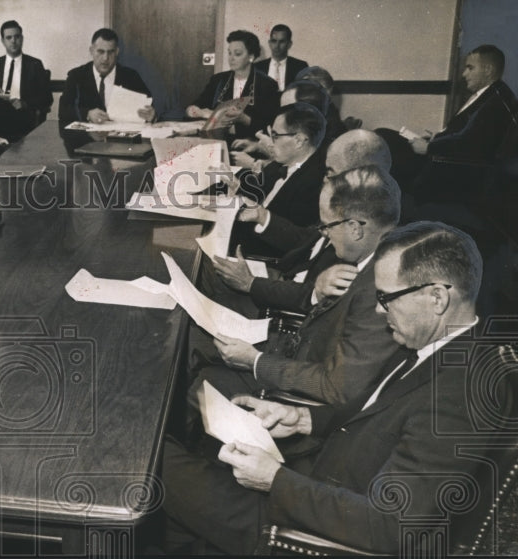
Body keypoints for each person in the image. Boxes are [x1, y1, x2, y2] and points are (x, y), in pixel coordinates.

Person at [163, 221, 518, 555]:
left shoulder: (461, 395)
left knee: (153, 461)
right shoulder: (433, 346)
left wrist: (274, 480)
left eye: (386, 298)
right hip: (311, 481)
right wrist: (302, 418)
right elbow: (377, 419)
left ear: (437, 298)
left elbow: (390, 524)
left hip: (306, 526)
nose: (380, 312)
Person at [206, 166, 403, 405]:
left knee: (198, 383)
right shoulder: (374, 258)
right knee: (198, 343)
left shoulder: (381, 291)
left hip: (291, 383)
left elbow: (338, 387)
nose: (325, 236)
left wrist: (255, 360)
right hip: (290, 348)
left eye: (328, 226)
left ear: (354, 228)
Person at [409, 45, 518, 206]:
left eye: (470, 68)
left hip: (460, 171)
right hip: (452, 159)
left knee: (394, 152)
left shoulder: (496, 102)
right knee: (389, 137)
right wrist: (436, 138)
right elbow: (465, 132)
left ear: (488, 69)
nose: (464, 74)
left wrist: (429, 148)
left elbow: (469, 141)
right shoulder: (488, 94)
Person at [230, 102, 328, 258]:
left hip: (263, 257)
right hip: (244, 240)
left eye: (275, 136)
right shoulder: (279, 164)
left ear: (299, 141)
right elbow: (255, 196)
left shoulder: (316, 183)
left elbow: (295, 243)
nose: (269, 142)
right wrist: (235, 186)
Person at [187, 30, 279, 139]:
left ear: (251, 56)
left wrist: (244, 119)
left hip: (248, 144)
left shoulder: (267, 85)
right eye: (229, 53)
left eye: (237, 54)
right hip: (215, 139)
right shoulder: (218, 80)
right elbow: (196, 105)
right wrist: (193, 110)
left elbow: (270, 126)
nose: (231, 58)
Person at [0, 20, 54, 141]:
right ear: (3, 41)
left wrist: (24, 103)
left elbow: (47, 98)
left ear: (22, 38)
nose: (13, 41)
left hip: (21, 116)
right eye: (9, 37)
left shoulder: (34, 65)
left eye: (17, 37)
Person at [57, 28, 155, 126]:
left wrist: (151, 115)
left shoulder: (131, 76)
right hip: (87, 139)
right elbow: (63, 111)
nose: (105, 58)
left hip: (120, 139)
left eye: (110, 52)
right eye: (100, 52)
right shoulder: (77, 76)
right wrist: (87, 114)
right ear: (91, 51)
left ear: (117, 52)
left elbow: (149, 106)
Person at [253, 24, 309, 92]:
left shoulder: (300, 66)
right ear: (269, 43)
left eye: (282, 41)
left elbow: (304, 93)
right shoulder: (257, 67)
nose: (277, 46)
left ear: (289, 44)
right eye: (274, 41)